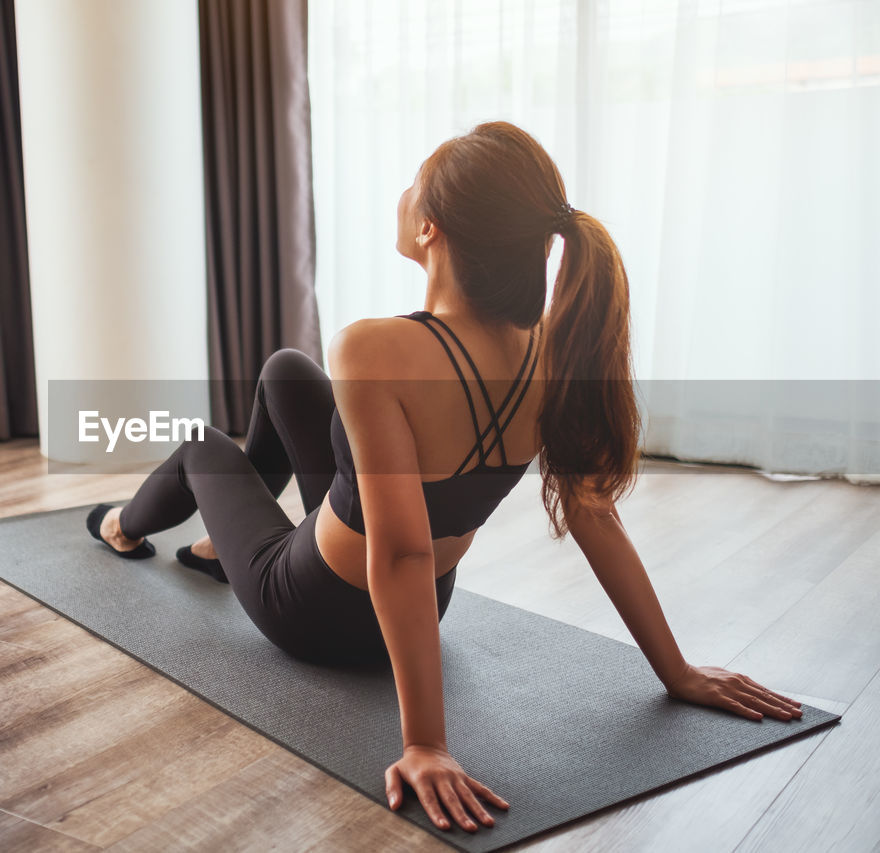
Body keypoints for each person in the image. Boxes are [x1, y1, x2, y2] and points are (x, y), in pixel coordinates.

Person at [84, 120, 803, 835]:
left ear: (431, 228)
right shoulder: (549, 349)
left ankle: (121, 526)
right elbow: (594, 518)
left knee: (200, 443)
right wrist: (673, 669)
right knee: (283, 372)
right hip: (428, 602)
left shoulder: (372, 348)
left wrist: (426, 742)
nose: (401, 195)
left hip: (312, 607)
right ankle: (217, 550)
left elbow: (397, 549)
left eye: (412, 185)